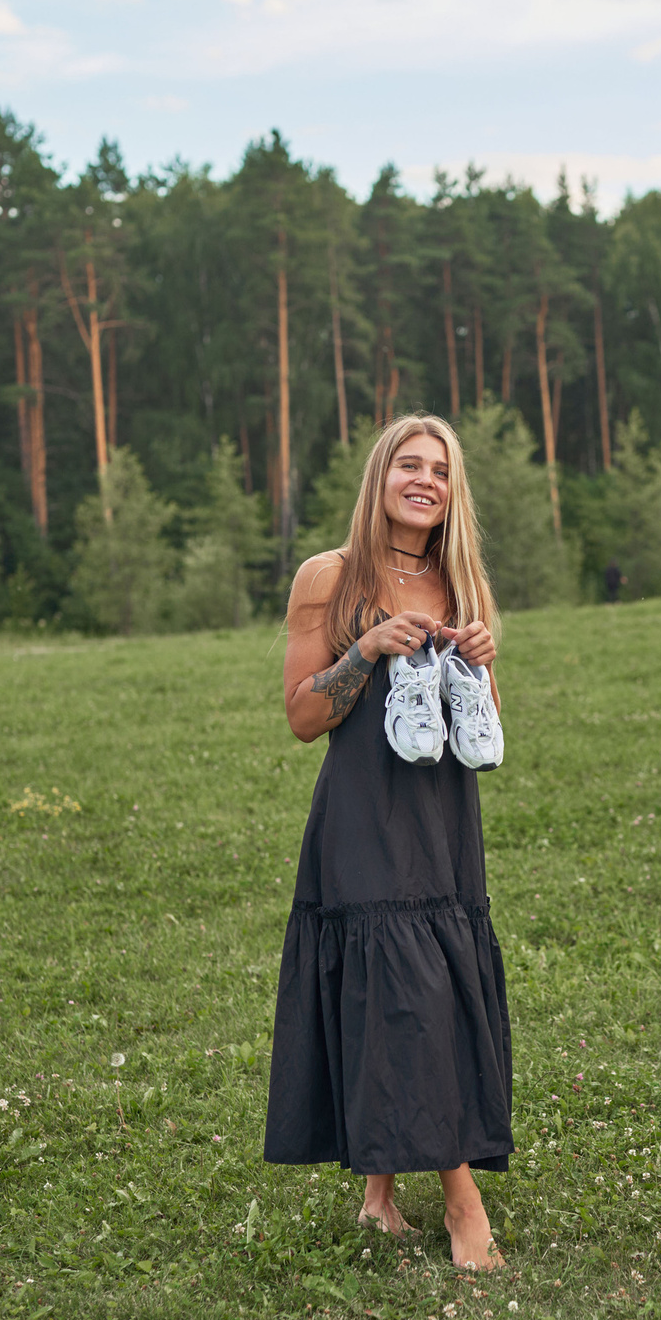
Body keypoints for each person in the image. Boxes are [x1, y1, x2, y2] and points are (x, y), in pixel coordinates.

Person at [268, 413, 512, 1271]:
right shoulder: (327, 577)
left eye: (440, 471)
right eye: (410, 464)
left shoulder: (460, 582)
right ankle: (462, 1201)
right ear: (382, 476)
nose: (425, 481)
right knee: (402, 989)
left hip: (443, 816)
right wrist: (365, 648)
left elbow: (479, 726)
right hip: (365, 815)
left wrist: (482, 656)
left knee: (428, 982)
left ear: (452, 493)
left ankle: (378, 1195)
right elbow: (303, 716)